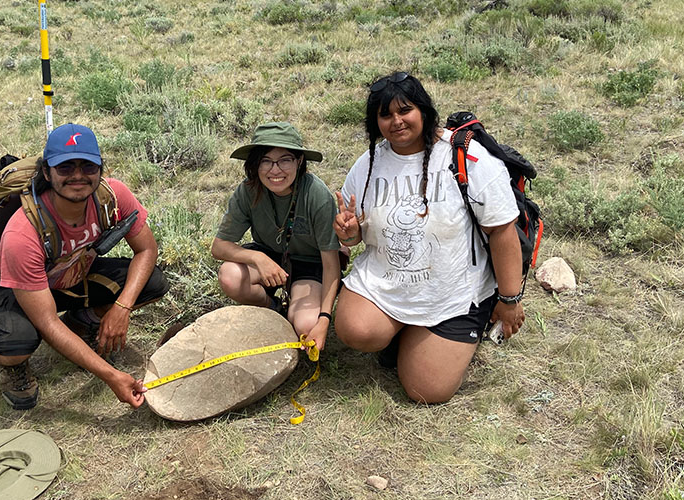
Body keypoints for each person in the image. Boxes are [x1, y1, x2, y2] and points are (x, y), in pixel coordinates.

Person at [333, 72, 525, 404]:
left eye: (405, 110)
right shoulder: (368, 164)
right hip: (389, 283)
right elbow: (359, 232)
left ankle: (439, 335)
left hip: (453, 293)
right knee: (354, 329)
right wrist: (352, 233)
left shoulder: (464, 156)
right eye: (385, 115)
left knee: (426, 390)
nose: (396, 122)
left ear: (423, 110)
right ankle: (405, 333)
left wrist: (509, 301)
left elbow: (501, 230)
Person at [0, 123, 168, 410]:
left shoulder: (112, 197)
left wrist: (122, 307)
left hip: (71, 273)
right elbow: (48, 322)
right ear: (46, 173)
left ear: (100, 169)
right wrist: (111, 376)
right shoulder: (23, 234)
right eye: (65, 168)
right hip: (16, 288)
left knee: (152, 283)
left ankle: (81, 323)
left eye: (87, 166)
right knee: (13, 344)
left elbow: (146, 250)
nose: (78, 176)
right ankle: (14, 367)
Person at [212, 122, 342, 352]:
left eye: (285, 160)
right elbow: (219, 247)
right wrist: (257, 259)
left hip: (310, 263)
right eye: (266, 160)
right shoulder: (248, 190)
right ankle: (271, 307)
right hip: (268, 256)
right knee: (229, 275)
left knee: (306, 325)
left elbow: (331, 263)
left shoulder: (317, 195)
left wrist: (324, 318)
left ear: (299, 161)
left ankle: (298, 307)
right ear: (255, 164)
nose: (275, 170)